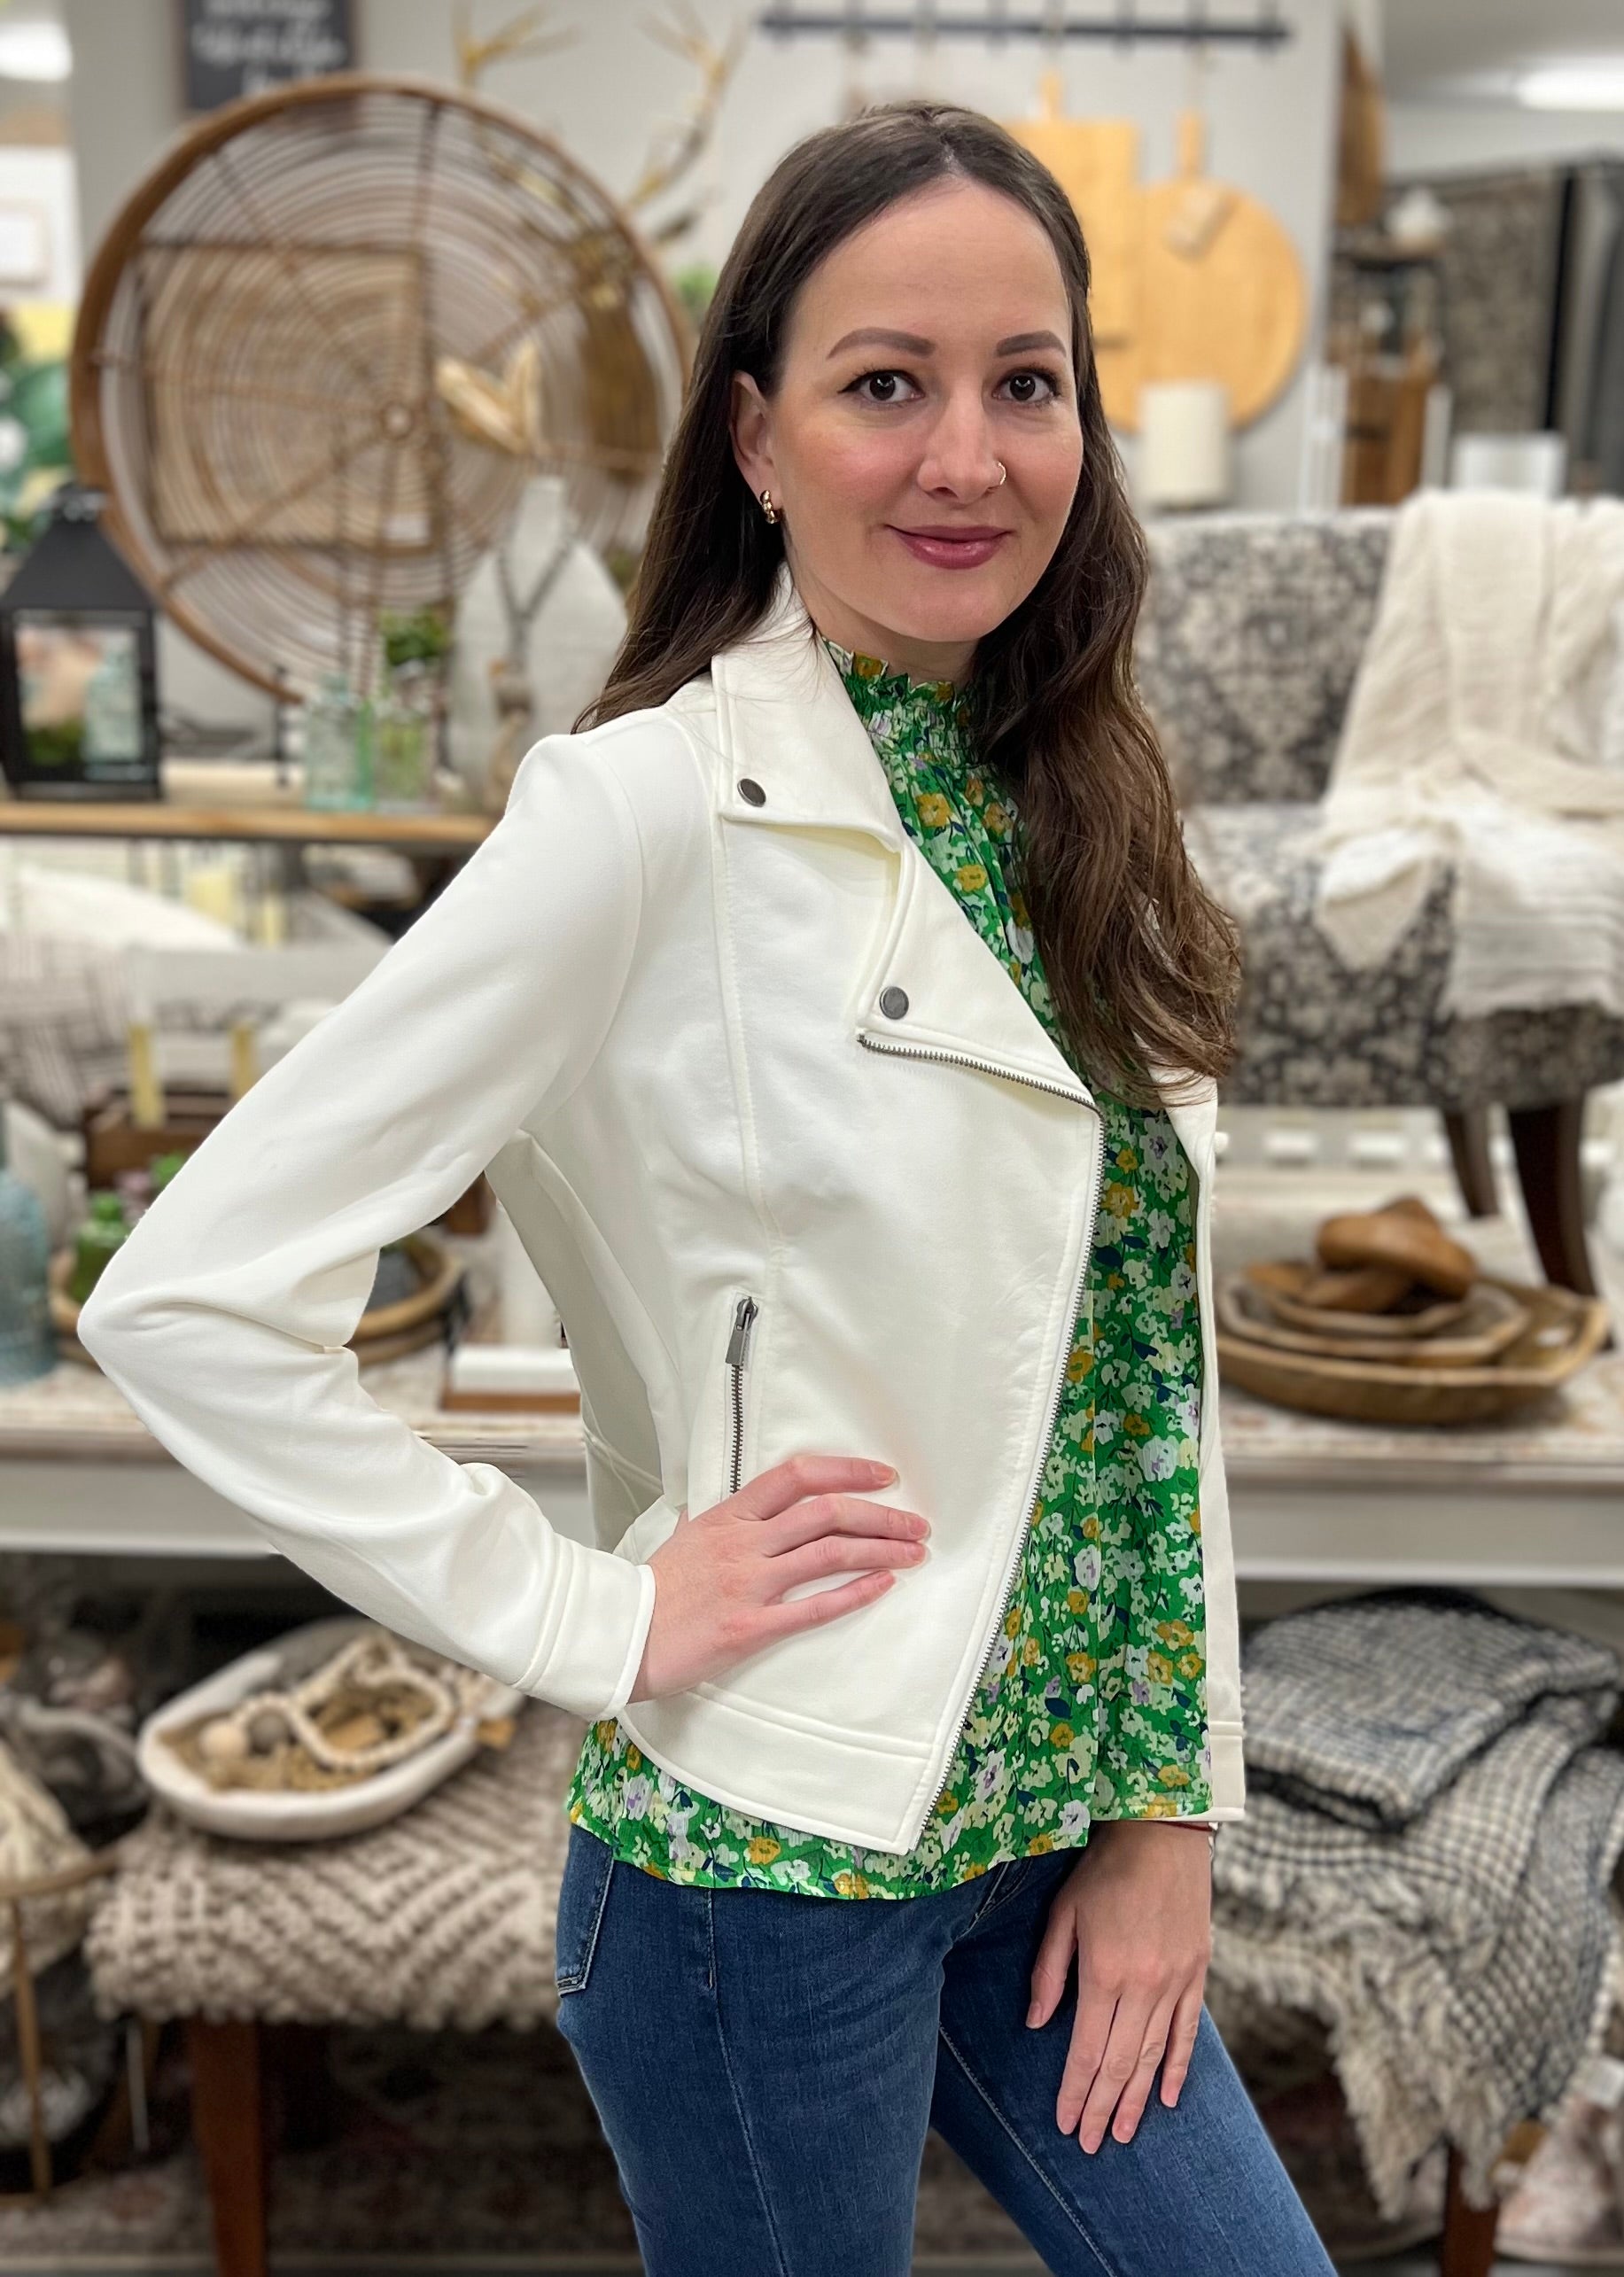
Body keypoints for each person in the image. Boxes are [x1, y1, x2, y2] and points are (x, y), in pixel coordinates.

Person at [76, 98, 1336, 2277]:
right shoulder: (636, 815)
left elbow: (1141, 1371)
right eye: (885, 385)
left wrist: (1164, 1812)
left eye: (1023, 384)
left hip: (1053, 1832)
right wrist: (594, 1615)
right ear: (755, 435)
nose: (966, 457)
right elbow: (186, 1297)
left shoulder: (1087, 803)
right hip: (768, 1865)